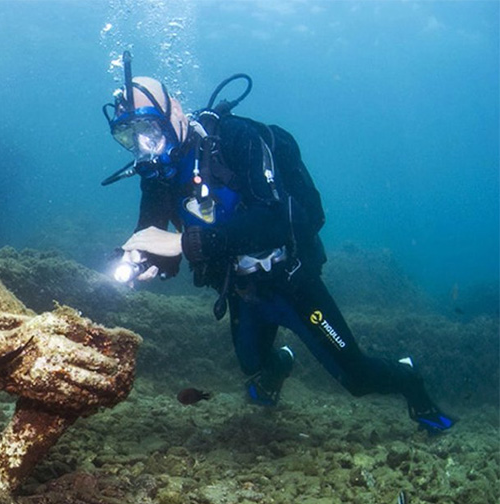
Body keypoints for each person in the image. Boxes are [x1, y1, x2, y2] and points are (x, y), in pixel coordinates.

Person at [102, 54, 453, 433]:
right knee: (253, 365)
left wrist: (187, 244)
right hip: (241, 287)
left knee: (357, 379)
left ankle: (407, 377)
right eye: (129, 139)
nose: (144, 149)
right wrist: (141, 261)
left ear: (176, 115)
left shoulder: (236, 140)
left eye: (149, 133)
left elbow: (277, 219)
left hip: (290, 281)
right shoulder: (157, 177)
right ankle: (280, 364)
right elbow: (158, 243)